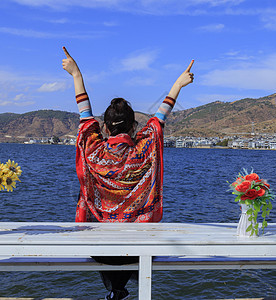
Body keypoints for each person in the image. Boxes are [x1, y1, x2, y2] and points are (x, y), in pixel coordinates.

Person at [62, 46, 194, 300]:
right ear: (134, 126)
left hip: (99, 248)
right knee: (137, 240)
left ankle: (116, 291)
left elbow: (84, 115)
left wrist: (76, 74)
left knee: (109, 242)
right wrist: (178, 84)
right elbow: (159, 119)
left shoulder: (93, 150)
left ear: (104, 126)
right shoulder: (145, 147)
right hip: (139, 246)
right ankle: (119, 291)